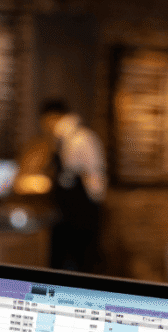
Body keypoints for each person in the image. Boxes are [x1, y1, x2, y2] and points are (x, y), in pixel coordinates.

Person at [38, 99, 107, 274]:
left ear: (52, 118)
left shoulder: (83, 138)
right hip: (64, 215)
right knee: (59, 265)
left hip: (82, 214)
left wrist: (92, 210)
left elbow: (96, 177)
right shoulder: (61, 140)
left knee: (81, 265)